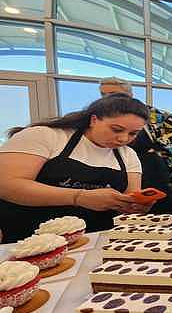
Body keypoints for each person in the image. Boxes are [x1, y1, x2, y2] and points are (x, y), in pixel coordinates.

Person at [0, 94, 151, 243]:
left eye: (133, 133)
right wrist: (79, 197)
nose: (124, 139)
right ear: (94, 120)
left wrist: (134, 205)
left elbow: (127, 201)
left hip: (97, 240)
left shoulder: (128, 155)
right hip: (29, 238)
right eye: (116, 129)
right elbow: (7, 185)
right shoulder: (46, 136)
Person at [99, 77, 172, 214]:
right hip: (118, 178)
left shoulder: (155, 116)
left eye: (114, 94)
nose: (107, 99)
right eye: (103, 95)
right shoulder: (99, 118)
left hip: (155, 177)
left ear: (130, 96)